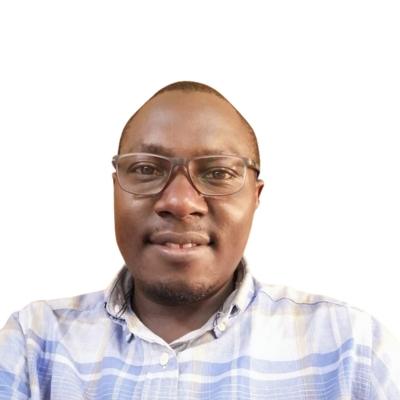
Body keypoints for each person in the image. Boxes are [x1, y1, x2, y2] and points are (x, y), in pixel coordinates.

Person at [0, 81, 399, 400]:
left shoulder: (351, 350)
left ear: (255, 197)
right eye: (146, 169)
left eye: (218, 173)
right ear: (116, 189)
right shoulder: (35, 344)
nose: (180, 202)